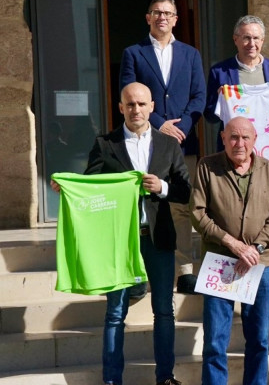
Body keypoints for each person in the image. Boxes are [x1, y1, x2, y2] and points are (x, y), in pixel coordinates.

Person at [52, 82, 189, 385]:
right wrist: (67, 188)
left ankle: (165, 377)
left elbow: (185, 190)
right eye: (130, 104)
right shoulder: (106, 143)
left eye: (141, 104)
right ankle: (112, 379)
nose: (136, 109)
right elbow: (89, 186)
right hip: (118, 241)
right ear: (120, 108)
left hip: (158, 238)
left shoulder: (168, 145)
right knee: (115, 312)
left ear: (152, 106)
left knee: (164, 311)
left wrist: (162, 188)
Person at [120, 0, 205, 295]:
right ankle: (139, 270)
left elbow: (199, 97)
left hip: (183, 141)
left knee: (181, 206)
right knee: (143, 203)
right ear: (148, 18)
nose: (162, 18)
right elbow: (127, 93)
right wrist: (159, 124)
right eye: (156, 12)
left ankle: (184, 270)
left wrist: (180, 126)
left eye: (168, 13)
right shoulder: (134, 53)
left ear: (176, 19)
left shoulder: (191, 54)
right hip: (146, 139)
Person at [189, 117, 269, 385]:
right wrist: (231, 243)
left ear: (255, 140)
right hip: (220, 262)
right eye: (233, 137)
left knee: (259, 339)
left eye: (245, 138)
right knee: (216, 340)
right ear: (223, 138)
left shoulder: (267, 170)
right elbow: (198, 214)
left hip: (258, 264)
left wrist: (257, 247)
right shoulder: (207, 167)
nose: (239, 143)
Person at [205, 14, 269, 292]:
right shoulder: (221, 72)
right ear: (236, 39)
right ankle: (234, 261)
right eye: (245, 37)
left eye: (256, 37)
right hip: (235, 156)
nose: (251, 43)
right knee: (234, 211)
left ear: (263, 40)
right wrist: (222, 95)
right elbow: (210, 114)